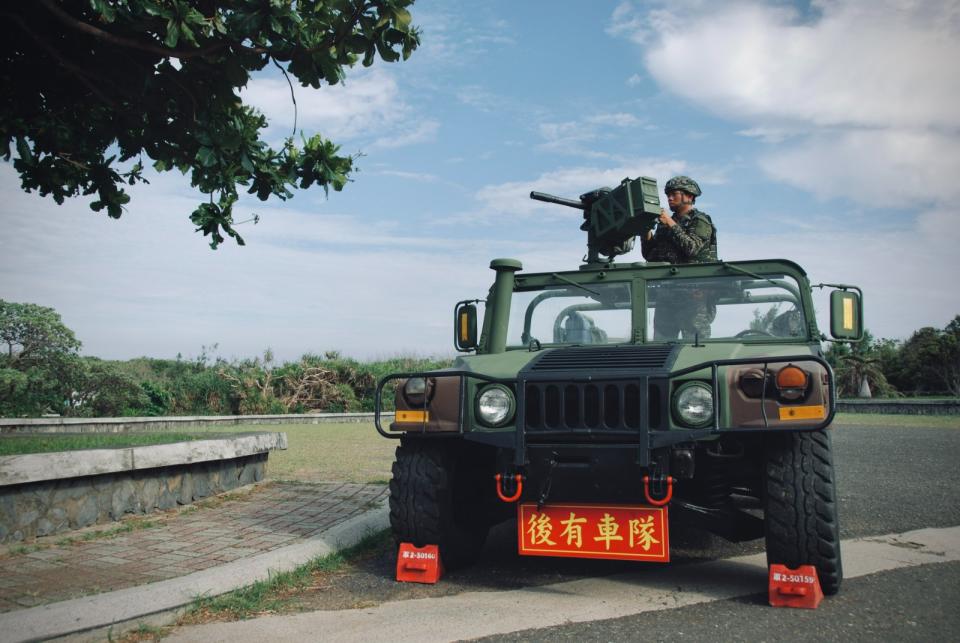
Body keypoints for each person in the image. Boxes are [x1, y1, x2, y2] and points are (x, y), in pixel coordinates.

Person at [640, 176, 718, 340]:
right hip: (667, 294)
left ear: (689, 196)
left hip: (694, 295)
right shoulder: (665, 224)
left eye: (674, 194)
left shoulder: (700, 221)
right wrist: (645, 230)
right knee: (662, 345)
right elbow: (650, 256)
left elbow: (692, 248)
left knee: (696, 345)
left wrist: (670, 223)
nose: (669, 198)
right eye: (668, 194)